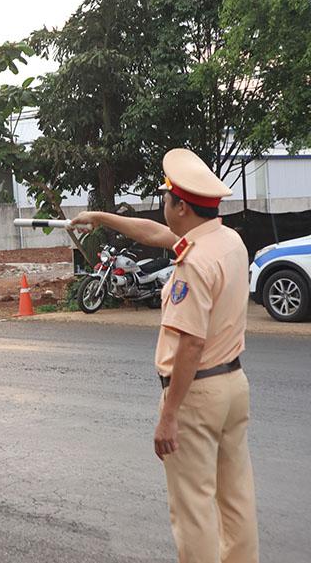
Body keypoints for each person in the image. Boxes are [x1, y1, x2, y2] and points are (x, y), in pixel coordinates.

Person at [73, 148, 258, 563]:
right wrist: (101, 218)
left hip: (197, 394)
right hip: (233, 386)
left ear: (181, 207)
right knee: (237, 498)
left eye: (167, 200)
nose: (164, 207)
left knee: (193, 508)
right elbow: (154, 233)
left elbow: (191, 344)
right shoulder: (227, 241)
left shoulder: (193, 264)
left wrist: (170, 414)